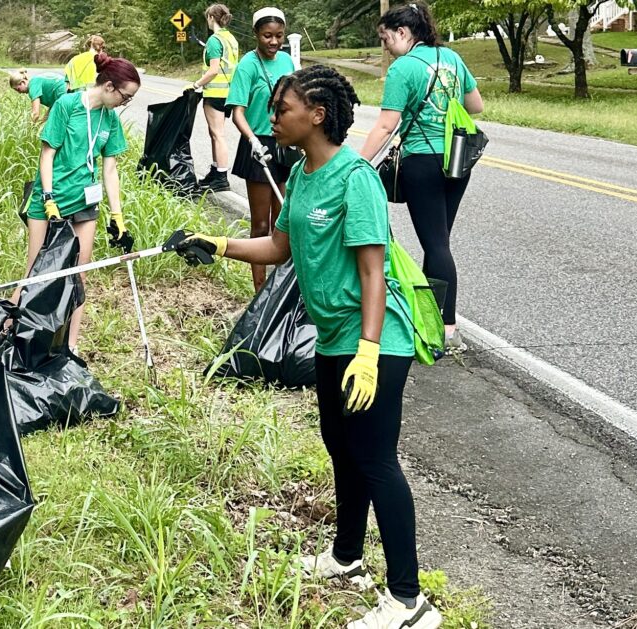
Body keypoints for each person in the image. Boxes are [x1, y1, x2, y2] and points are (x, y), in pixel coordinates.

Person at [171, 65, 443, 629]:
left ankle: (408, 600)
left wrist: (368, 353)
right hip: (333, 337)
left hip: (375, 337)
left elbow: (374, 272)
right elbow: (278, 247)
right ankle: (347, 558)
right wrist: (214, 243)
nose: (273, 117)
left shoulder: (354, 178)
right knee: (341, 450)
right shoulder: (299, 174)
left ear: (317, 115)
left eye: (282, 108)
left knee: (375, 460)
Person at [358, 1, 482, 353]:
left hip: (422, 161)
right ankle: (432, 320)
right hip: (457, 160)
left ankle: (447, 328)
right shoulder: (452, 59)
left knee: (436, 245)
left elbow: (386, 125)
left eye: (386, 38)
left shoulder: (404, 68)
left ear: (403, 32)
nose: (385, 46)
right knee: (438, 241)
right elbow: (476, 106)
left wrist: (358, 163)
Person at [22, 54, 140, 354]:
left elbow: (109, 169)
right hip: (52, 199)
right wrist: (48, 198)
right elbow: (47, 155)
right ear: (110, 86)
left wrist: (118, 215)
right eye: (125, 96)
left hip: (85, 201)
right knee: (37, 272)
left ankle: (70, 346)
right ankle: (13, 333)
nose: (125, 103)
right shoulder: (67, 105)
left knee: (78, 274)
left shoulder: (110, 119)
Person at [226, 6, 297, 291]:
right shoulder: (248, 65)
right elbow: (237, 112)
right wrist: (252, 139)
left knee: (284, 224)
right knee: (260, 226)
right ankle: (259, 291)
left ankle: (279, 290)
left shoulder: (288, 62)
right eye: (267, 35)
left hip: (284, 143)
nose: (274, 42)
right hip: (257, 145)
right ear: (256, 34)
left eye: (279, 36)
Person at [186, 3, 240, 193]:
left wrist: (196, 84)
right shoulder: (231, 39)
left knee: (217, 134)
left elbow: (214, 70)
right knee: (216, 134)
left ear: (211, 18)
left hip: (216, 93)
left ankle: (221, 177)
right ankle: (216, 170)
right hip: (228, 93)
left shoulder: (214, 40)